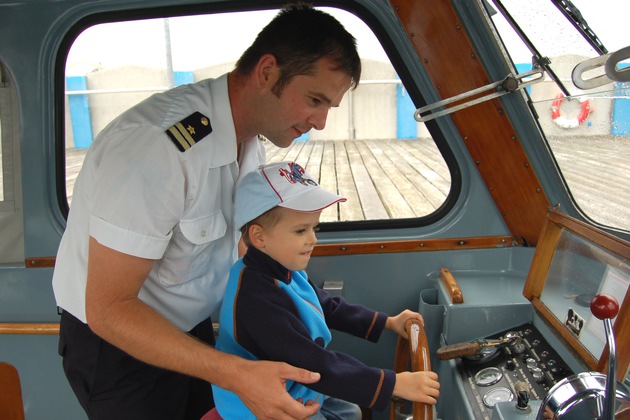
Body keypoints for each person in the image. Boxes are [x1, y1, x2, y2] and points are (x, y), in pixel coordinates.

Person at [52, 4, 361, 420]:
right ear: (267, 72)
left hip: (188, 328)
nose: (321, 122)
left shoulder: (252, 142)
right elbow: (108, 308)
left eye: (329, 107)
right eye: (314, 99)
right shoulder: (156, 149)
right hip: (118, 344)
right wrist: (236, 373)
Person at [211, 161, 440, 419]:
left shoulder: (280, 270)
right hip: (263, 402)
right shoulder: (256, 299)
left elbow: (325, 305)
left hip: (299, 381)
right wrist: (393, 384)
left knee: (351, 413)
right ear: (259, 237)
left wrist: (387, 322)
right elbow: (312, 362)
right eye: (301, 230)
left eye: (314, 228)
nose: (313, 239)